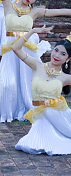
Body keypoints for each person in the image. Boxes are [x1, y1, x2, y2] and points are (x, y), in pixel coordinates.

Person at [0, 0, 71, 122]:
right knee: (8, 83)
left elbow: (59, 12)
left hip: (27, 49)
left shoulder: (35, 11)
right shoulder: (8, 4)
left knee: (29, 83)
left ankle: (30, 110)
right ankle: (8, 113)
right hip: (11, 49)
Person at [11, 26, 71, 155]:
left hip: (57, 115)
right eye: (56, 50)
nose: (57, 55)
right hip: (39, 116)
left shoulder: (66, 78)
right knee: (27, 145)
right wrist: (32, 31)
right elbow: (15, 48)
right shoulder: (37, 65)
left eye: (63, 54)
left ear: (68, 59)